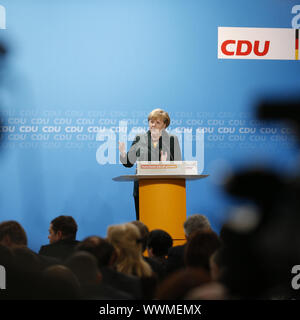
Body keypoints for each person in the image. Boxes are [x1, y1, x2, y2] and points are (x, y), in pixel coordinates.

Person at [119, 108, 182, 220]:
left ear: (164, 125)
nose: (153, 125)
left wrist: (165, 164)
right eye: (151, 121)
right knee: (143, 221)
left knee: (163, 220)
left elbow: (178, 166)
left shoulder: (172, 139)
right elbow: (129, 162)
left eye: (158, 122)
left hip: (164, 188)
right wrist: (123, 153)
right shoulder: (140, 138)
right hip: (142, 187)